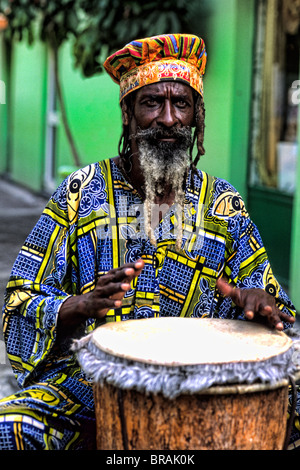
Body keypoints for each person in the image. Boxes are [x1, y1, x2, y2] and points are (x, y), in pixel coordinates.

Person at [0, 33, 299, 450]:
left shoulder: (224, 205)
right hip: (92, 384)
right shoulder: (82, 193)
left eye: (182, 103)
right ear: (127, 112)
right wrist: (77, 306)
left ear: (197, 115)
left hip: (205, 385)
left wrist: (259, 303)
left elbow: (278, 317)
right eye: (152, 102)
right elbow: (18, 306)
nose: (168, 118)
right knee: (10, 429)